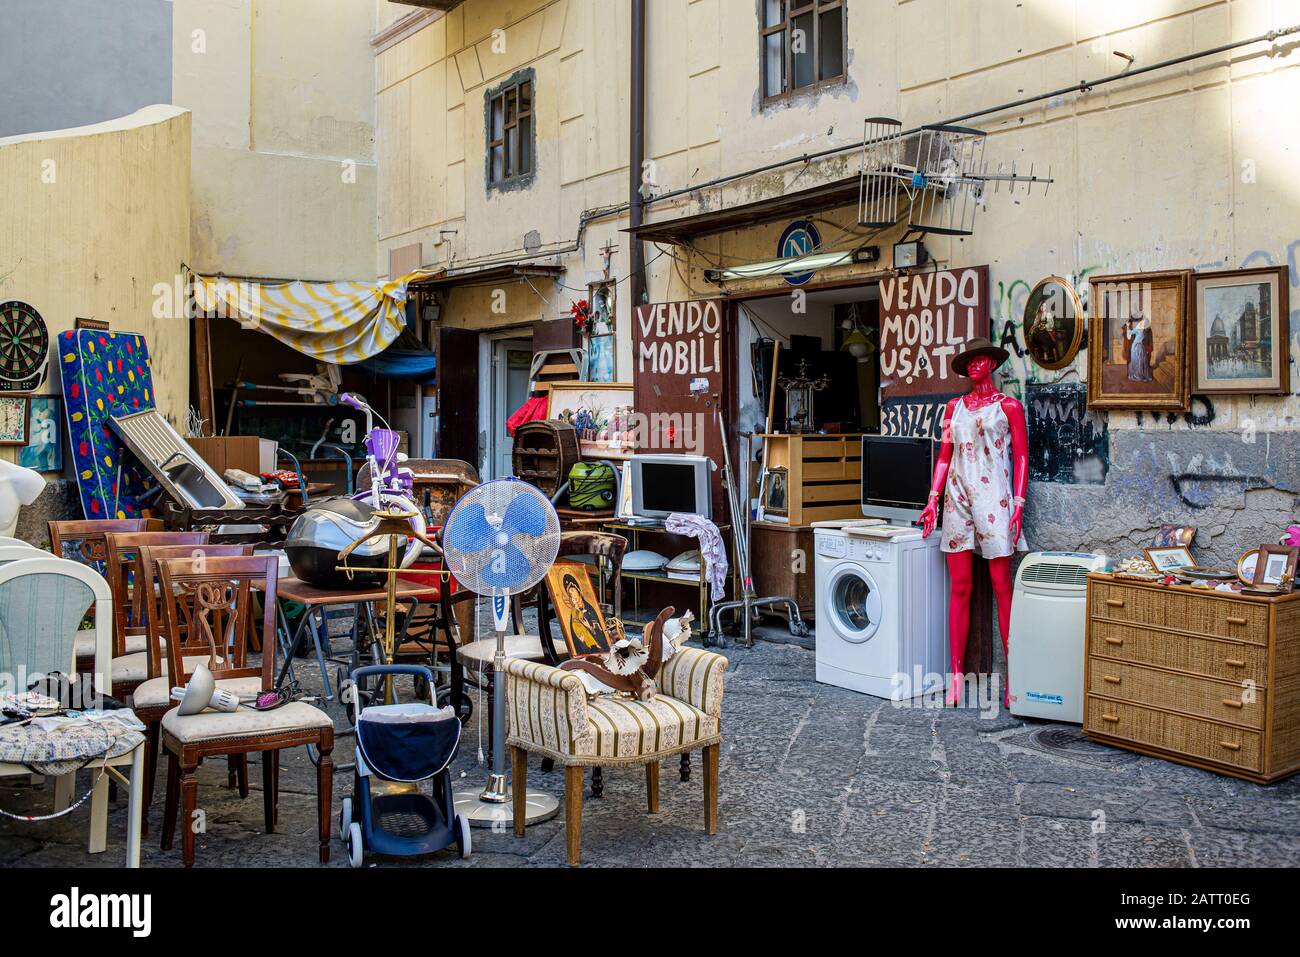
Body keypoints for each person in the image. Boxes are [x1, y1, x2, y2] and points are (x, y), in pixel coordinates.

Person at [918, 338, 1028, 709]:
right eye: (971, 360)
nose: (977, 364)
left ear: (992, 364)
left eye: (983, 358)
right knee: (960, 587)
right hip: (957, 499)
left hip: (996, 498)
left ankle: (1014, 673)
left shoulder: (1009, 407)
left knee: (1002, 585)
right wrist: (933, 499)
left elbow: (1023, 457)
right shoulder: (954, 409)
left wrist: (1019, 503)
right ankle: (954, 677)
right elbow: (945, 456)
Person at [561, 572, 609, 654]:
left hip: (598, 647)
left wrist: (589, 627)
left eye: (572, 590)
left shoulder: (589, 608)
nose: (571, 594)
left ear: (577, 589)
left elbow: (599, 631)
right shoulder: (574, 611)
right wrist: (580, 639)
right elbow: (574, 630)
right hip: (584, 644)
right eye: (569, 592)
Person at [1124, 313, 1154, 381]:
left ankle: (1143, 375)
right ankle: (1138, 375)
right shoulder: (1138, 329)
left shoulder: (1146, 330)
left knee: (1143, 361)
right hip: (1136, 347)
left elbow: (1147, 339)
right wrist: (1128, 326)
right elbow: (1129, 334)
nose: (1144, 324)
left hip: (1141, 347)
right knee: (1137, 361)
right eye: (1143, 323)